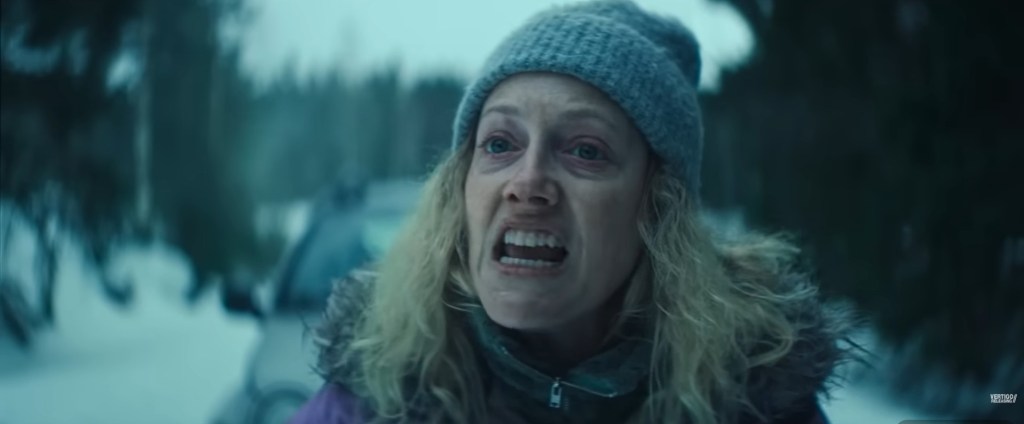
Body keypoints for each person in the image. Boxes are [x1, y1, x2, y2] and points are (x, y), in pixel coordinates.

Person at [290, 1, 855, 423]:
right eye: (500, 144)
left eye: (585, 150)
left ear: (658, 209)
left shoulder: (755, 405)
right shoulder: (373, 401)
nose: (527, 183)